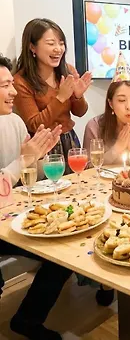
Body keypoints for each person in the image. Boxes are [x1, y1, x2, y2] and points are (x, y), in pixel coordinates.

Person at [0, 54, 72, 340]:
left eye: (11, 84)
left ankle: (27, 320)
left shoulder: (14, 122)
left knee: (62, 251)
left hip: (11, 216)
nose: (13, 91)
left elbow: (27, 176)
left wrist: (40, 157)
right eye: (5, 86)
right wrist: (23, 161)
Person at [13, 18, 92, 172]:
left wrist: (77, 96)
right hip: (43, 147)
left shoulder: (67, 70)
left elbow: (80, 112)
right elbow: (35, 124)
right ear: (32, 47)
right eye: (51, 43)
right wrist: (60, 98)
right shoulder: (21, 81)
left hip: (69, 140)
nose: (58, 49)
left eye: (61, 43)